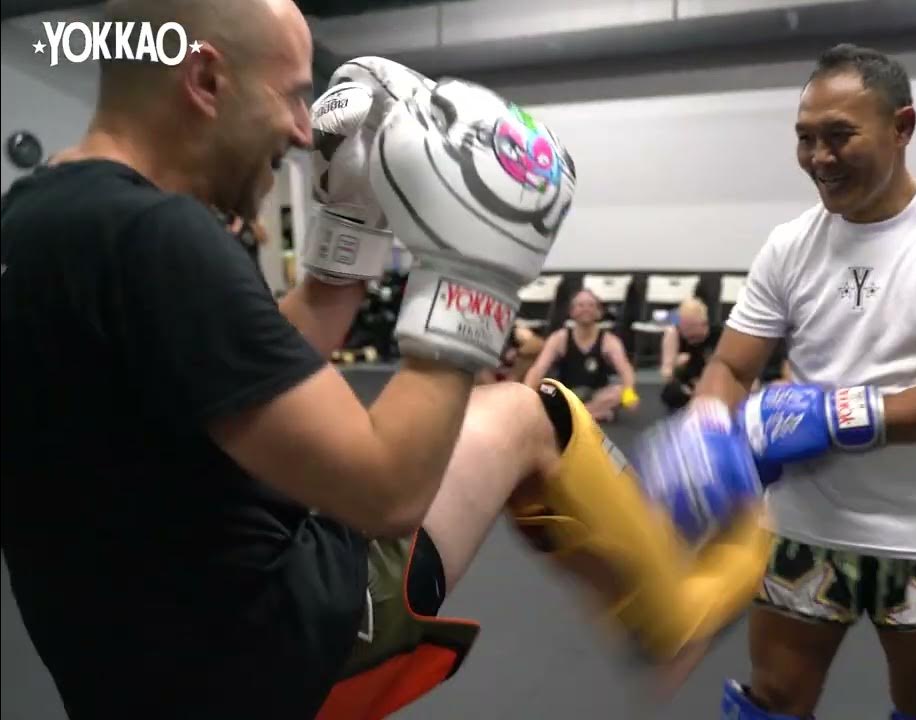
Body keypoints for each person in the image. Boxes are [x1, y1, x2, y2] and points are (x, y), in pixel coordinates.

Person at [0, 3, 768, 718]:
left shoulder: (38, 218)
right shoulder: (161, 236)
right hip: (268, 654)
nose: (304, 132)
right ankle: (674, 618)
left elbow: (244, 371)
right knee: (530, 416)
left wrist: (349, 229)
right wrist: (476, 271)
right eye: (290, 96)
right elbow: (389, 491)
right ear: (205, 80)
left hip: (126, 676)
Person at [634, 44, 916, 720]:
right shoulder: (791, 243)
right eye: (805, 138)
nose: (819, 157)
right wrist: (706, 434)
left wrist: (834, 415)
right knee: (773, 702)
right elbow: (731, 366)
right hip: (803, 526)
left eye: (840, 136)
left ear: (902, 127)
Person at [523, 289, 640, 421]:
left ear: (599, 312)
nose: (586, 309)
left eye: (591, 305)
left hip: (596, 394)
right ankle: (592, 414)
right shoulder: (559, 338)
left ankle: (572, 416)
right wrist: (528, 394)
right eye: (580, 305)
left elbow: (625, 370)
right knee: (542, 388)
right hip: (565, 394)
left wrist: (629, 395)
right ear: (572, 312)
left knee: (619, 391)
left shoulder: (609, 341)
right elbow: (538, 368)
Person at [659, 297, 722, 412]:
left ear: (704, 324)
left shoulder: (720, 336)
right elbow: (666, 372)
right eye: (683, 327)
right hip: (687, 388)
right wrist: (674, 365)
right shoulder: (674, 334)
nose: (686, 332)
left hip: (713, 385)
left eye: (691, 327)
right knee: (671, 392)